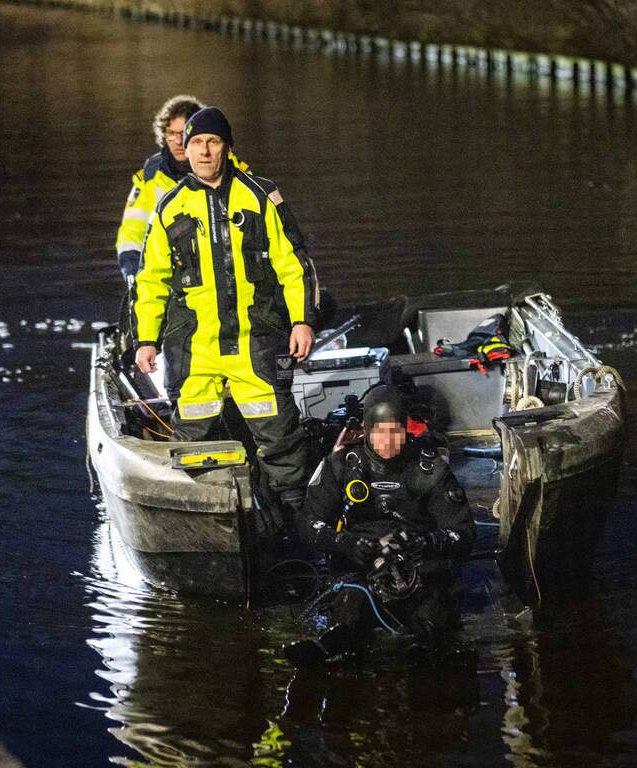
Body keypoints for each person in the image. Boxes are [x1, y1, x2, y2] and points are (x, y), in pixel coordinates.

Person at [132, 105, 318, 516]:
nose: (203, 151)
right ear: (186, 148)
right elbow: (151, 281)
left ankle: (295, 522)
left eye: (212, 142)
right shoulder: (169, 208)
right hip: (195, 347)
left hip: (256, 341)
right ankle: (200, 519)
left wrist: (303, 321)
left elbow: (295, 265)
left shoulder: (260, 195)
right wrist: (145, 340)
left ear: (227, 148)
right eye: (195, 142)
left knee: (281, 439)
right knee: (194, 444)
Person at [285, 385, 475, 667]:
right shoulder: (341, 466)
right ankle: (338, 646)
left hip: (418, 571)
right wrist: (344, 543)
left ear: (406, 429)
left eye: (395, 431)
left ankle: (432, 650)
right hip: (360, 571)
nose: (388, 441)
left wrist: (427, 543)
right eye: (380, 432)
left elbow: (465, 532)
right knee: (350, 607)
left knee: (433, 612)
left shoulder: (429, 470)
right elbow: (308, 523)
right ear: (366, 431)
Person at [115, 94, 250, 280]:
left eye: (182, 133)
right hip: (170, 278)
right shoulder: (151, 176)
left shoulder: (235, 173)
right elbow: (132, 232)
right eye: (171, 134)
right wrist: (132, 273)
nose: (178, 141)